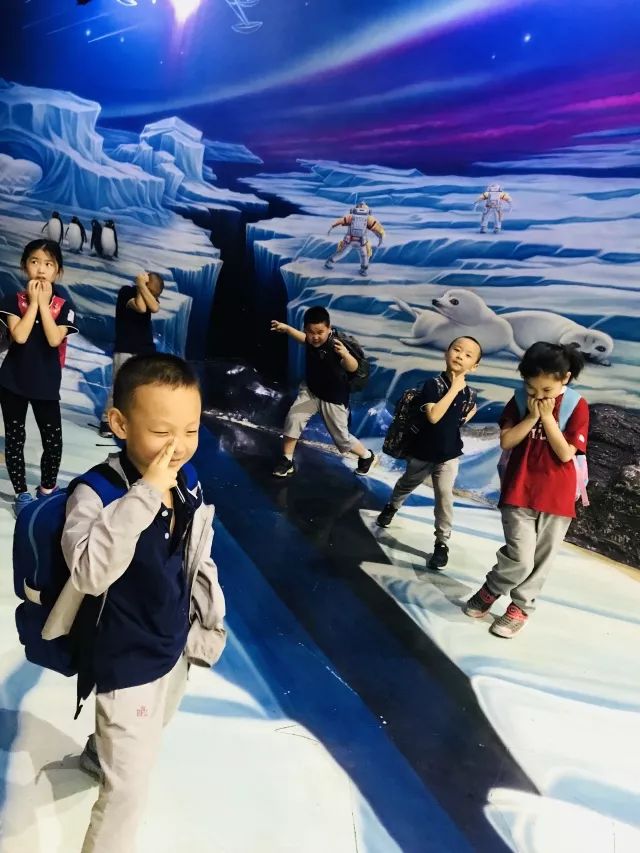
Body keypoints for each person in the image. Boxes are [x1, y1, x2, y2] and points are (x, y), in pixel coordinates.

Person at [58, 353, 226, 852]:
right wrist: (146, 492)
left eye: (190, 431)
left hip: (172, 644)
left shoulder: (188, 480)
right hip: (123, 657)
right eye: (160, 432)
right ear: (119, 423)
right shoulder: (96, 494)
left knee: (156, 726)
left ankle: (99, 752)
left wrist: (208, 621)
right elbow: (90, 573)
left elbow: (195, 556)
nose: (177, 447)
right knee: (128, 793)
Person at [464, 342, 589, 638]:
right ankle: (492, 587)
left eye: (546, 390)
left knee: (542, 559)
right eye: (532, 388)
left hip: (557, 495)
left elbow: (565, 453)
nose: (539, 396)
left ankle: (521, 607)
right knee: (520, 557)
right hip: (519, 489)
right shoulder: (521, 399)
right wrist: (532, 415)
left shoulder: (576, 404)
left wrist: (547, 418)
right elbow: (507, 441)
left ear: (565, 378)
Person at [377, 337, 481, 569]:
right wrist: (455, 388)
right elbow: (434, 416)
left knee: (444, 496)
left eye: (467, 355)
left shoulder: (469, 394)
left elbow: (455, 421)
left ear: (474, 366)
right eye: (456, 350)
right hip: (422, 453)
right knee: (407, 484)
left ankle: (442, 543)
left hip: (448, 455)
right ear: (446, 353)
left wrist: (468, 414)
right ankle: (392, 506)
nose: (460, 356)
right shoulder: (433, 385)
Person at [0, 239, 78, 516]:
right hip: (11, 382)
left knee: (53, 441)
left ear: (58, 271)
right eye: (35, 262)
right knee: (15, 439)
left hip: (46, 384)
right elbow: (19, 336)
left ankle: (47, 490)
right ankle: (21, 493)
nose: (41, 269)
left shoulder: (64, 306)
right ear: (24, 266)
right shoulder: (13, 300)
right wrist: (34, 303)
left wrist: (44, 305)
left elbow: (55, 338)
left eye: (48, 264)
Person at [271, 306, 376, 477]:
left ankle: (367, 456)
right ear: (306, 329)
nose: (315, 336)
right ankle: (287, 460)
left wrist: (346, 355)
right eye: (311, 332)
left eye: (320, 332)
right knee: (294, 418)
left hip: (333, 398)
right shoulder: (310, 340)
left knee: (342, 439)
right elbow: (303, 339)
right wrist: (288, 329)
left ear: (329, 328)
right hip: (311, 391)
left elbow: (353, 368)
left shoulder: (336, 345)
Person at [99, 271, 164, 438]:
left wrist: (144, 289)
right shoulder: (126, 292)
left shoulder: (150, 298)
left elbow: (155, 308)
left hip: (145, 350)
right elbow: (140, 307)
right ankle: (106, 421)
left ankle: (136, 421)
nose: (152, 296)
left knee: (143, 387)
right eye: (151, 290)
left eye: (155, 294)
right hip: (126, 347)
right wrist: (141, 285)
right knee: (119, 386)